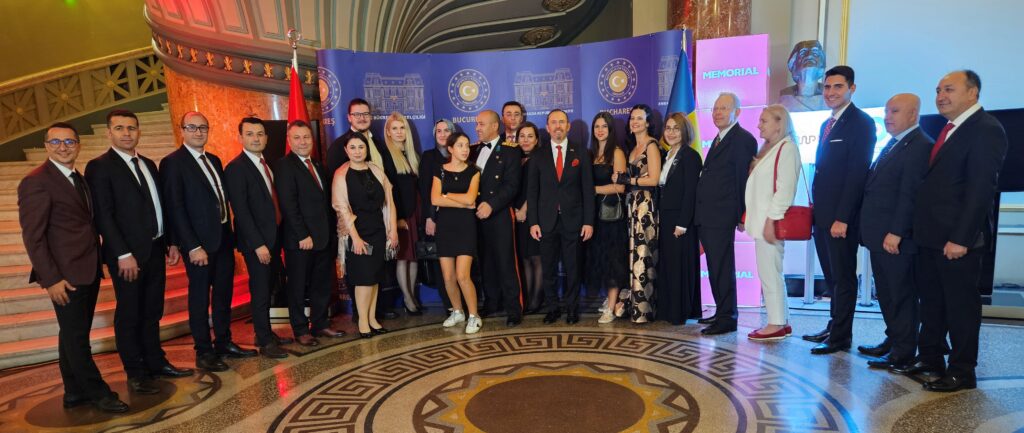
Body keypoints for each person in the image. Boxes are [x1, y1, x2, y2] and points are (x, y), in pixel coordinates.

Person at [19, 123, 128, 413]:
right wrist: (51, 279)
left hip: (87, 268)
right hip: (64, 275)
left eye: (69, 142)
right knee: (77, 338)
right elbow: (33, 237)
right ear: (46, 146)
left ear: (78, 145)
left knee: (71, 333)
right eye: (56, 142)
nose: (63, 147)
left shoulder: (77, 178)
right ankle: (99, 393)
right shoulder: (36, 181)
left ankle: (74, 392)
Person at [909, 70, 1007, 392]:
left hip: (957, 240)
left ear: (972, 92)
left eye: (949, 89)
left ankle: (962, 371)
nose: (940, 96)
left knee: (960, 308)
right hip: (931, 237)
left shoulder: (985, 129)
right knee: (932, 302)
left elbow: (981, 190)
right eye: (938, 90)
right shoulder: (949, 129)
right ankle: (931, 358)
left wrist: (961, 238)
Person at [85, 110, 194, 394]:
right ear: (109, 133)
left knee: (152, 310)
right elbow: (104, 216)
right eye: (120, 128)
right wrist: (122, 253)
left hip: (155, 249)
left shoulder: (148, 163)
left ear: (139, 132)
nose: (126, 133)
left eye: (131, 128)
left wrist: (171, 242)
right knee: (130, 313)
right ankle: (135, 372)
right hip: (127, 256)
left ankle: (156, 362)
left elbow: (161, 207)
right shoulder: (99, 167)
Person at [162, 111, 256, 372]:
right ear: (182, 130)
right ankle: (203, 351)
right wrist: (191, 246)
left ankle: (223, 342)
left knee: (224, 294)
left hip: (223, 238)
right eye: (192, 127)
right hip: (199, 245)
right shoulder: (173, 163)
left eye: (203, 127)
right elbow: (175, 208)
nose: (198, 132)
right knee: (200, 298)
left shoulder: (213, 159)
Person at [803, 66, 875, 355]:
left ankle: (841, 337)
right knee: (832, 278)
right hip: (822, 216)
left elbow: (857, 175)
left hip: (840, 219)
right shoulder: (827, 124)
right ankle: (834, 325)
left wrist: (842, 218)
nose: (831, 92)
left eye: (838, 87)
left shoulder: (862, 123)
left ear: (851, 89)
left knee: (843, 278)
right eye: (827, 87)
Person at [858, 94, 932, 371]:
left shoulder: (919, 145)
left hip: (896, 238)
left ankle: (903, 351)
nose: (887, 117)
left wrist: (897, 232)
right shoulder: (895, 143)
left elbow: (910, 194)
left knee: (900, 295)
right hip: (880, 235)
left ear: (913, 114)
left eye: (895, 111)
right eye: (887, 111)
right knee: (887, 294)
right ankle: (893, 340)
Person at [223, 117, 294, 359]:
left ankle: (267, 333)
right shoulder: (236, 168)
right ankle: (264, 340)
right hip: (257, 244)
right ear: (240, 137)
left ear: (266, 137)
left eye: (260, 134)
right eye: (250, 134)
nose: (256, 138)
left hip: (274, 238)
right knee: (261, 291)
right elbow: (241, 211)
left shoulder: (269, 163)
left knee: (270, 287)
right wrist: (258, 245)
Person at [275, 120, 346, 346]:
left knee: (321, 284)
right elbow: (289, 205)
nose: (303, 142)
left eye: (306, 137)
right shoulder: (284, 166)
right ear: (289, 140)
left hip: (323, 238)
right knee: (297, 286)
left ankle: (320, 323)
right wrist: (302, 235)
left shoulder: (317, 164)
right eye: (297, 137)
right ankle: (300, 329)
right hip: (301, 240)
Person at [696, 93, 758, 335]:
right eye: (715, 108)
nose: (717, 113)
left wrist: (742, 214)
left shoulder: (742, 139)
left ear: (737, 112)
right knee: (715, 267)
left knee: (722, 267)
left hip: (722, 215)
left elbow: (742, 179)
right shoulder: (720, 138)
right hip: (709, 214)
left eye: (723, 108)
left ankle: (727, 318)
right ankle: (722, 311)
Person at [528, 109, 595, 325]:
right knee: (548, 269)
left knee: (573, 268)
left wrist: (588, 221)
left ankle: (572, 309)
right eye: (554, 122)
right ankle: (553, 309)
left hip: (573, 221)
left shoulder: (581, 153)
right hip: (546, 222)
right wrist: (533, 222)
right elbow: (532, 192)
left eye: (562, 122)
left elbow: (587, 190)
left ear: (568, 126)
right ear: (547, 127)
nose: (558, 126)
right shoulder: (538, 155)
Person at [745, 105, 802, 341]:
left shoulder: (787, 149)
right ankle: (781, 320)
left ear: (780, 123)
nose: (759, 125)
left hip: (770, 222)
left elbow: (785, 189)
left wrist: (771, 219)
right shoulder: (772, 149)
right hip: (763, 221)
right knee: (771, 272)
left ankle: (775, 323)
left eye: (764, 121)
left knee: (769, 273)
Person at [334, 133, 399, 338]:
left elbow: (389, 201)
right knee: (363, 279)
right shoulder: (341, 174)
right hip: (357, 232)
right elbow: (342, 209)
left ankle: (372, 319)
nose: (357, 151)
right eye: (352, 147)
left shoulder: (376, 170)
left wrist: (393, 230)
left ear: (366, 149)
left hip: (378, 230)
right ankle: (362, 322)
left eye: (361, 147)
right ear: (346, 151)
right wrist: (355, 238)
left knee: (374, 278)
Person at [472, 110, 524, 327]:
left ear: (495, 126)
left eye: (481, 124)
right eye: (477, 124)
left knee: (505, 261)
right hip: (475, 215)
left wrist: (491, 205)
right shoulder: (473, 150)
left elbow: (512, 185)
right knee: (485, 262)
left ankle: (513, 308)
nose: (477, 128)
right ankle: (492, 302)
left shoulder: (511, 151)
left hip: (499, 214)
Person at [613, 104, 662, 324]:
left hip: (645, 206)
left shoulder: (651, 145)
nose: (635, 122)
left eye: (639, 118)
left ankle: (645, 311)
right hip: (632, 204)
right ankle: (635, 306)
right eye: (632, 118)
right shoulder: (633, 147)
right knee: (633, 255)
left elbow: (654, 179)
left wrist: (628, 180)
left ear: (648, 122)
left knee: (644, 255)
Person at [432, 132, 483, 333]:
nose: (465, 149)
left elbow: (471, 199)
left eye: (467, 145)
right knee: (448, 277)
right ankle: (457, 311)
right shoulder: (440, 171)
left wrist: (447, 195)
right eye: (460, 145)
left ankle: (474, 316)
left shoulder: (474, 171)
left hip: (465, 227)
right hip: (445, 227)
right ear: (450, 149)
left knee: (463, 276)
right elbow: (435, 199)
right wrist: (461, 203)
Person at [656, 113, 703, 325]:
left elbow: (690, 193)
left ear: (685, 131)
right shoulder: (668, 155)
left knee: (679, 267)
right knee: (669, 265)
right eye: (668, 128)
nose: (671, 132)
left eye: (676, 128)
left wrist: (683, 223)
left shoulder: (690, 156)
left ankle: (680, 312)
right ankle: (668, 310)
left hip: (681, 220)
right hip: (666, 217)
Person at [587, 112, 629, 324]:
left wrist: (593, 189)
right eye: (597, 126)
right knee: (601, 261)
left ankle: (611, 308)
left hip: (612, 217)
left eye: (604, 126)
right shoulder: (591, 153)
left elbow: (620, 187)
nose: (600, 130)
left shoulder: (617, 153)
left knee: (613, 262)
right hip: (595, 216)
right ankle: (609, 300)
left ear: (611, 130)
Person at [383, 112, 423, 315]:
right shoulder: (386, 157)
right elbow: (388, 192)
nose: (399, 132)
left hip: (415, 212)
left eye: (402, 128)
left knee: (414, 257)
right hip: (400, 215)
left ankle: (412, 295)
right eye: (395, 128)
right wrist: (396, 219)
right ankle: (407, 298)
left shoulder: (412, 155)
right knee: (403, 257)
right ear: (388, 132)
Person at [418, 119, 455, 310]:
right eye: (439, 131)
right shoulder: (428, 157)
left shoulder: (461, 153)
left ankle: (461, 303)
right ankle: (449, 305)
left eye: (446, 130)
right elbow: (425, 191)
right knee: (442, 264)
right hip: (437, 217)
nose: (442, 134)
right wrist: (430, 217)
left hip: (458, 217)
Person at [513, 121, 544, 314]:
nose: (525, 140)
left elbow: (538, 189)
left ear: (537, 139)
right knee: (524, 258)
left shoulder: (540, 159)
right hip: (516, 215)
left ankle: (536, 299)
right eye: (522, 136)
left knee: (536, 258)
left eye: (530, 136)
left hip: (535, 214)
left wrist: (524, 209)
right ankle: (527, 299)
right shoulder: (514, 159)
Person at [327, 98, 390, 174]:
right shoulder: (338, 146)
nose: (362, 118)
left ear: (370, 116)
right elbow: (334, 177)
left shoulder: (379, 144)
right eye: (357, 114)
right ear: (349, 118)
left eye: (365, 114)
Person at [778, 40, 828, 112]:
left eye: (815, 53)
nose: (809, 55)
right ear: (793, 63)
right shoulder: (785, 95)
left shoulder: (829, 93)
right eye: (803, 53)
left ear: (821, 63)